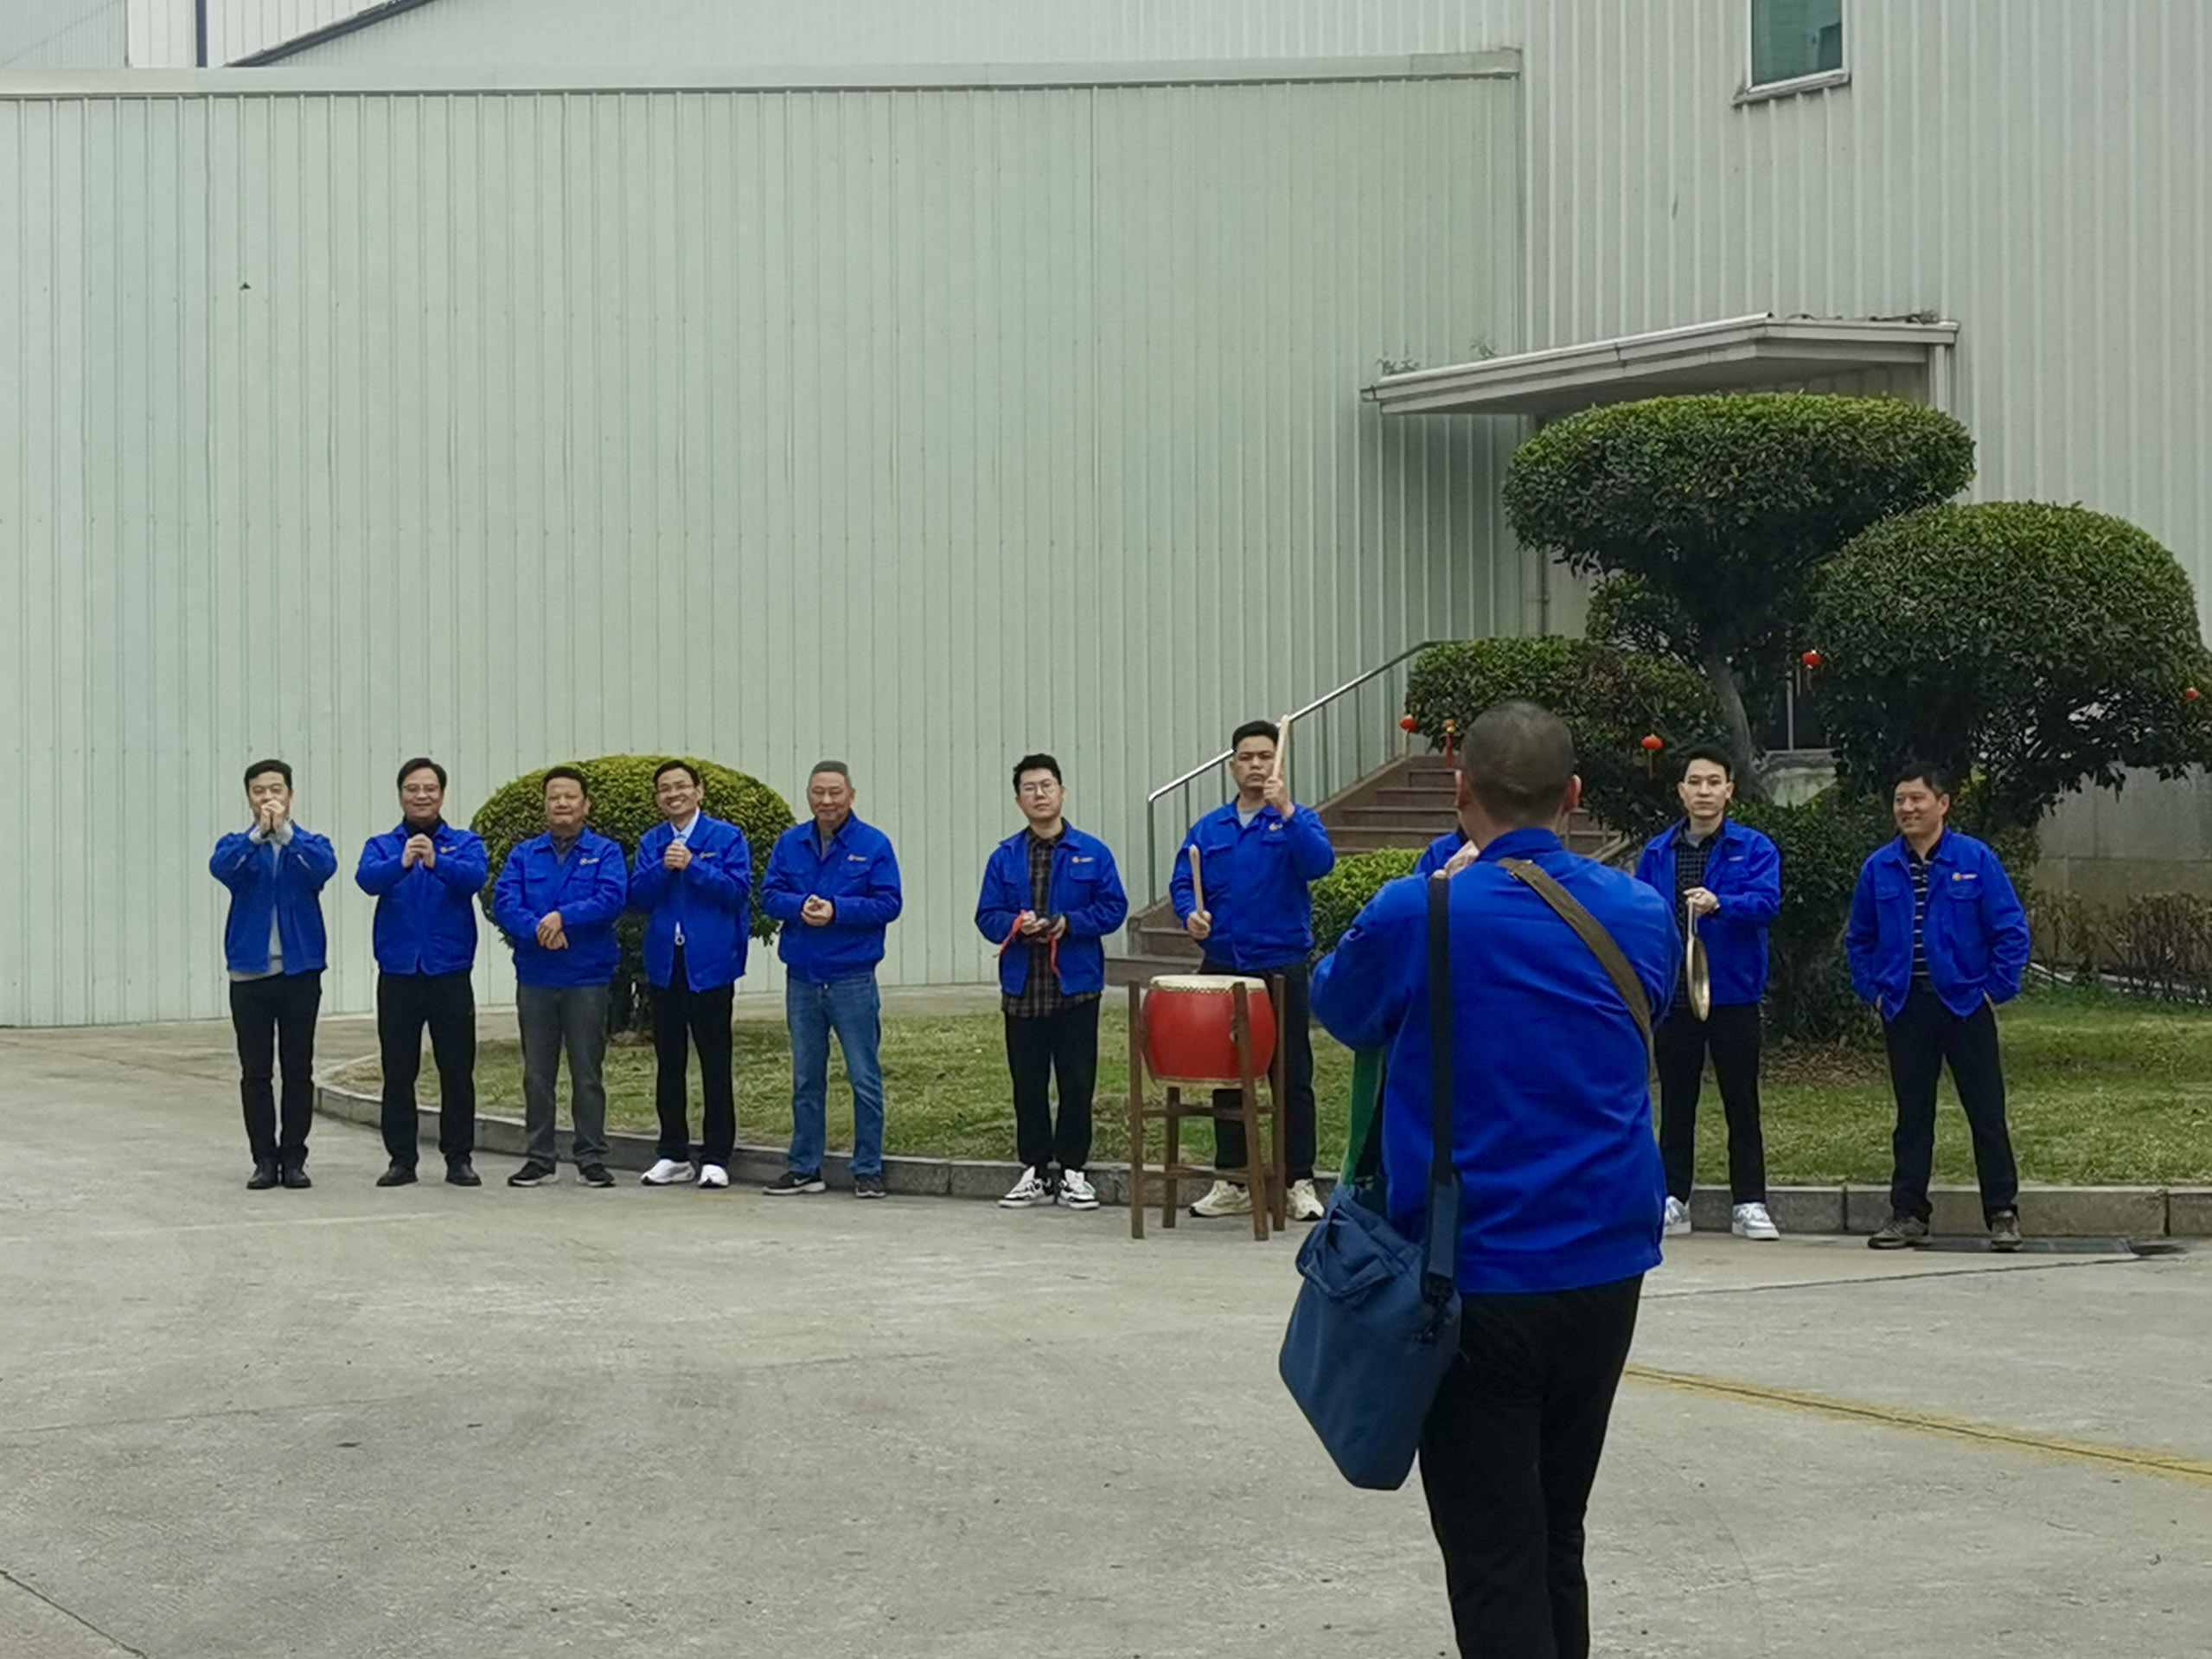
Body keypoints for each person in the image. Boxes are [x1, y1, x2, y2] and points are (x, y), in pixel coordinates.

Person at [1311, 701, 1673, 1659]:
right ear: (1573, 796)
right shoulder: (1638, 912)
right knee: (1555, 1530)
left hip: (1469, 1273)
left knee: (1491, 1555)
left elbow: (1339, 1004)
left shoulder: (1419, 910)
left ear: (1458, 788)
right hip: (1605, 1264)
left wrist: (1444, 878)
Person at [1847, 760, 2030, 1252]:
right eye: (1900, 800)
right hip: (1905, 1006)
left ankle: (2002, 1212)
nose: (1907, 808)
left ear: (1942, 803)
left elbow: (2010, 928)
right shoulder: (1879, 867)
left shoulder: (1975, 859)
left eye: (1917, 799)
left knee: (1986, 1113)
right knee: (1913, 1116)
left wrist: (1994, 989)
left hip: (1966, 1004)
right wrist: (1874, 990)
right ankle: (1908, 1213)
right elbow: (1860, 938)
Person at [1168, 720, 1335, 1220]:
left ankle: (1297, 1179)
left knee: (1291, 1074)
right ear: (1232, 765)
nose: (1256, 765)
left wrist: (1287, 811)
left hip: (1279, 963)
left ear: (1278, 761)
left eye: (1265, 756)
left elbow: (1320, 864)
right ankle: (1233, 1178)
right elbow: (1183, 881)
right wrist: (1190, 915)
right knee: (1225, 1075)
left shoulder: (1295, 820)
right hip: (1223, 964)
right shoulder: (1210, 828)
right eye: (1246, 757)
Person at [1633, 745, 1783, 1241]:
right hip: (1674, 995)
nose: (1704, 792)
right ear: (1681, 791)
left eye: (1713, 782)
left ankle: (1750, 1202)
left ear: (1729, 790)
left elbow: (1767, 902)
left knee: (1742, 1101)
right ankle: (1674, 1198)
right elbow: (1641, 915)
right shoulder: (1658, 852)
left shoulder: (1753, 847)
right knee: (1677, 1101)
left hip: (1733, 993)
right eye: (1695, 782)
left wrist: (1722, 904)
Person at [974, 753, 1129, 1211]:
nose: (1039, 795)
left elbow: (1113, 909)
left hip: (1075, 985)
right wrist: (1015, 925)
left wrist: (1068, 923)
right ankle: (1036, 1170)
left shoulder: (1093, 852)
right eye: (1029, 788)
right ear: (1018, 800)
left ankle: (1074, 1170)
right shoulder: (1004, 857)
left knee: (1077, 1082)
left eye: (1046, 786)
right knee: (1028, 1084)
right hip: (1023, 986)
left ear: (1062, 792)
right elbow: (986, 915)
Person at [758, 761, 903, 1200]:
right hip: (803, 978)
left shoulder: (873, 844)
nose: (826, 801)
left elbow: (889, 903)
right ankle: (805, 1167)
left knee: (864, 1077)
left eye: (835, 792)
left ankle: (868, 1168)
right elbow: (769, 895)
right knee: (806, 1078)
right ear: (808, 796)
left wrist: (838, 910)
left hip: (852, 978)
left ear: (851, 796)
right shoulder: (790, 843)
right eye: (818, 792)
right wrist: (799, 905)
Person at [489, 766, 629, 1188]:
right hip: (537, 974)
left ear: (586, 805)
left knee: (587, 1072)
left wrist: (562, 917)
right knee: (537, 1073)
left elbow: (611, 898)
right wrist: (539, 928)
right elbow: (505, 901)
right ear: (545, 805)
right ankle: (539, 1157)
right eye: (554, 797)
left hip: (586, 976)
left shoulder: (605, 852)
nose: (562, 803)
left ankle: (591, 1157)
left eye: (570, 796)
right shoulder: (524, 854)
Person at [355, 758, 489, 1188]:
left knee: (456, 1070)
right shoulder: (382, 844)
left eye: (430, 788)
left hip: (449, 970)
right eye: (412, 788)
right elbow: (367, 880)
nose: (421, 795)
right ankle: (401, 1159)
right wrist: (402, 862)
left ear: (442, 795)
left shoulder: (464, 842)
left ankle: (459, 1157)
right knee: (398, 1071)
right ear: (401, 796)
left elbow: (475, 878)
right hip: (398, 971)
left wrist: (436, 862)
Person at [210, 759, 340, 1190]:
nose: (268, 797)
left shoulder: (309, 844)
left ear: (290, 795)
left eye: (276, 789)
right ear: (249, 797)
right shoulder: (238, 845)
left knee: (298, 1068)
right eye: (259, 791)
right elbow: (222, 868)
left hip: (299, 972)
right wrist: (257, 838)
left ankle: (295, 1157)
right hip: (250, 974)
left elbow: (322, 870)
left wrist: (284, 835)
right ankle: (264, 1158)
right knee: (256, 1071)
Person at [630, 759, 753, 1191]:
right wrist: (664, 867)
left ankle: (717, 1156)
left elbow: (737, 891)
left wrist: (694, 865)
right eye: (665, 788)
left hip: (711, 964)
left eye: (681, 786)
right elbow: (637, 897)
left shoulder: (726, 837)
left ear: (699, 791)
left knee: (715, 1062)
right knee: (669, 1063)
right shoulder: (652, 841)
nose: (673, 794)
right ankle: (673, 1153)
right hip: (666, 965)